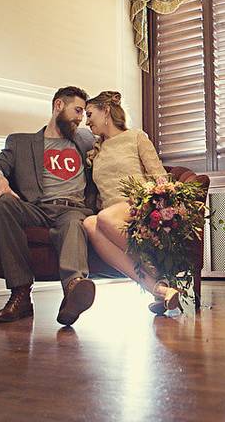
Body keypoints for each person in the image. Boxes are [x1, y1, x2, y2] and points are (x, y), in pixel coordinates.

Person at [0, 86, 97, 325]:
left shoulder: (84, 139)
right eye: (77, 110)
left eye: (84, 113)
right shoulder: (21, 142)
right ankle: (21, 294)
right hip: (37, 209)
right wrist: (1, 180)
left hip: (73, 209)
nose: (80, 118)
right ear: (58, 105)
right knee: (1, 202)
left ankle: (74, 290)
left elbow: (114, 141)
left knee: (74, 223)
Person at [82, 90, 181, 315]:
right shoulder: (95, 152)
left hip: (137, 203)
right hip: (111, 214)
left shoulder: (136, 137)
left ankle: (158, 271)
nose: (87, 122)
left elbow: (159, 176)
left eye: (90, 114)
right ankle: (159, 288)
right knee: (89, 223)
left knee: (104, 218)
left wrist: (166, 207)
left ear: (105, 111)